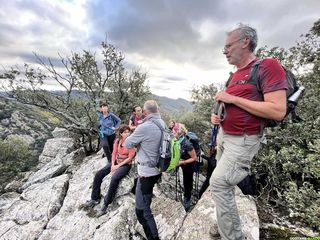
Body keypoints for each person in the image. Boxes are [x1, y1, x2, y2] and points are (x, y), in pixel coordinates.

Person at [209, 24, 287, 239]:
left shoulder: (267, 66)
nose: (224, 51)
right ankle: (226, 223)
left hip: (243, 140)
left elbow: (278, 110)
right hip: (225, 136)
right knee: (223, 185)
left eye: (228, 46)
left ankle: (232, 235)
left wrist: (231, 98)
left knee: (219, 182)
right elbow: (233, 106)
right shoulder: (234, 76)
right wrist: (217, 116)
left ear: (245, 42)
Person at [124, 100, 163, 240]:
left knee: (143, 211)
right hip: (157, 169)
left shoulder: (144, 127)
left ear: (145, 113)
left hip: (147, 172)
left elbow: (128, 144)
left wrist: (136, 138)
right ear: (157, 110)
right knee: (142, 206)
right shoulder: (162, 123)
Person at [85, 125, 136, 215]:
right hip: (116, 162)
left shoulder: (131, 143)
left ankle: (105, 204)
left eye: (128, 132)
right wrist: (112, 165)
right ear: (121, 133)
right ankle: (94, 198)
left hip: (125, 165)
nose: (127, 134)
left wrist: (117, 166)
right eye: (125, 132)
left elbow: (130, 158)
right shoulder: (117, 141)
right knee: (98, 174)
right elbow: (113, 154)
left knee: (114, 178)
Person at [172, 123, 197, 211]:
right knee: (186, 181)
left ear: (180, 133)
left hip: (189, 165)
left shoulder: (187, 144)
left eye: (174, 132)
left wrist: (183, 162)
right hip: (182, 161)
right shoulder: (177, 141)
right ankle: (186, 194)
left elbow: (194, 158)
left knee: (187, 182)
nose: (173, 134)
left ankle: (187, 198)